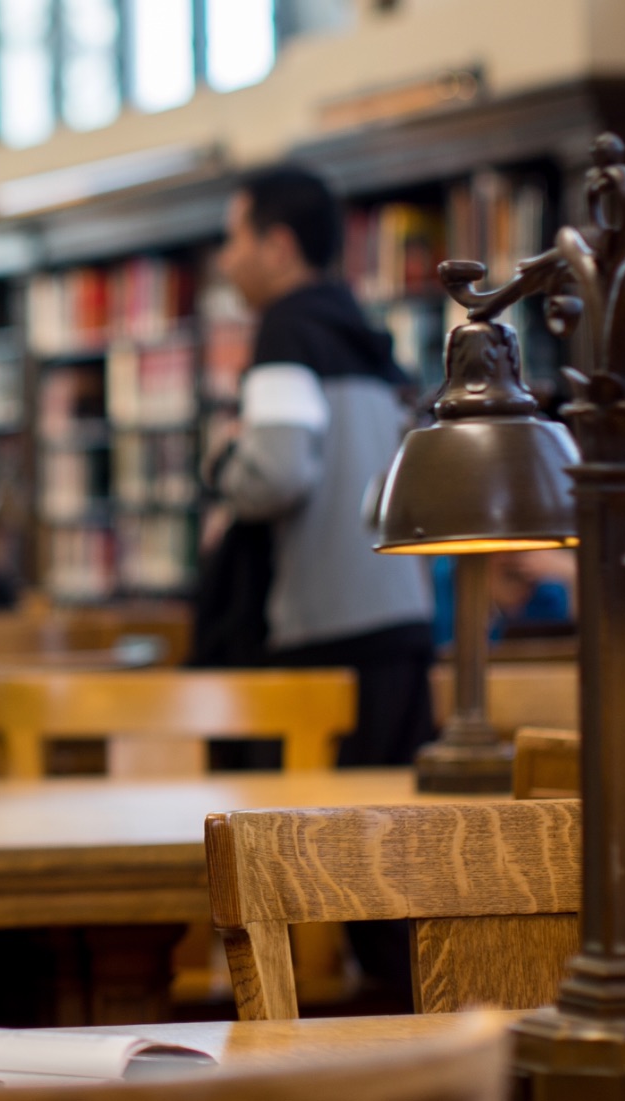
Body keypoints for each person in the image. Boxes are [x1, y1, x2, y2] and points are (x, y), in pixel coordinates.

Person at [208, 164, 437, 766]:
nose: (225, 261)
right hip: (401, 622)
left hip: (320, 634)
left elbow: (278, 475)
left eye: (234, 240)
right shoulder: (367, 333)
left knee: (297, 848)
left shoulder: (286, 330)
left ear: (279, 246)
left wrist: (225, 460)